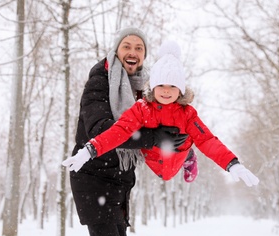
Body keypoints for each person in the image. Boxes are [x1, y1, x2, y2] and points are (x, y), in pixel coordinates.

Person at [63, 40, 259, 190]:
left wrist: (232, 163)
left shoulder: (188, 114)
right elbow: (120, 130)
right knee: (134, 133)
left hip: (176, 156)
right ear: (153, 86)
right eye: (161, 85)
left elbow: (207, 140)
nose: (166, 91)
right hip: (153, 159)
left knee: (192, 137)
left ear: (180, 89)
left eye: (172, 86)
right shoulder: (142, 109)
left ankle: (189, 153)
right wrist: (91, 149)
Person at [67, 28, 190, 236]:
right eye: (127, 46)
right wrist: (154, 137)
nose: (132, 52)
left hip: (120, 182)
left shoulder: (141, 88)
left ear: (144, 56)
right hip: (93, 178)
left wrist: (183, 147)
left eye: (139, 48)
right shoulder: (100, 79)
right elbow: (101, 129)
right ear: (116, 49)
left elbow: (160, 121)